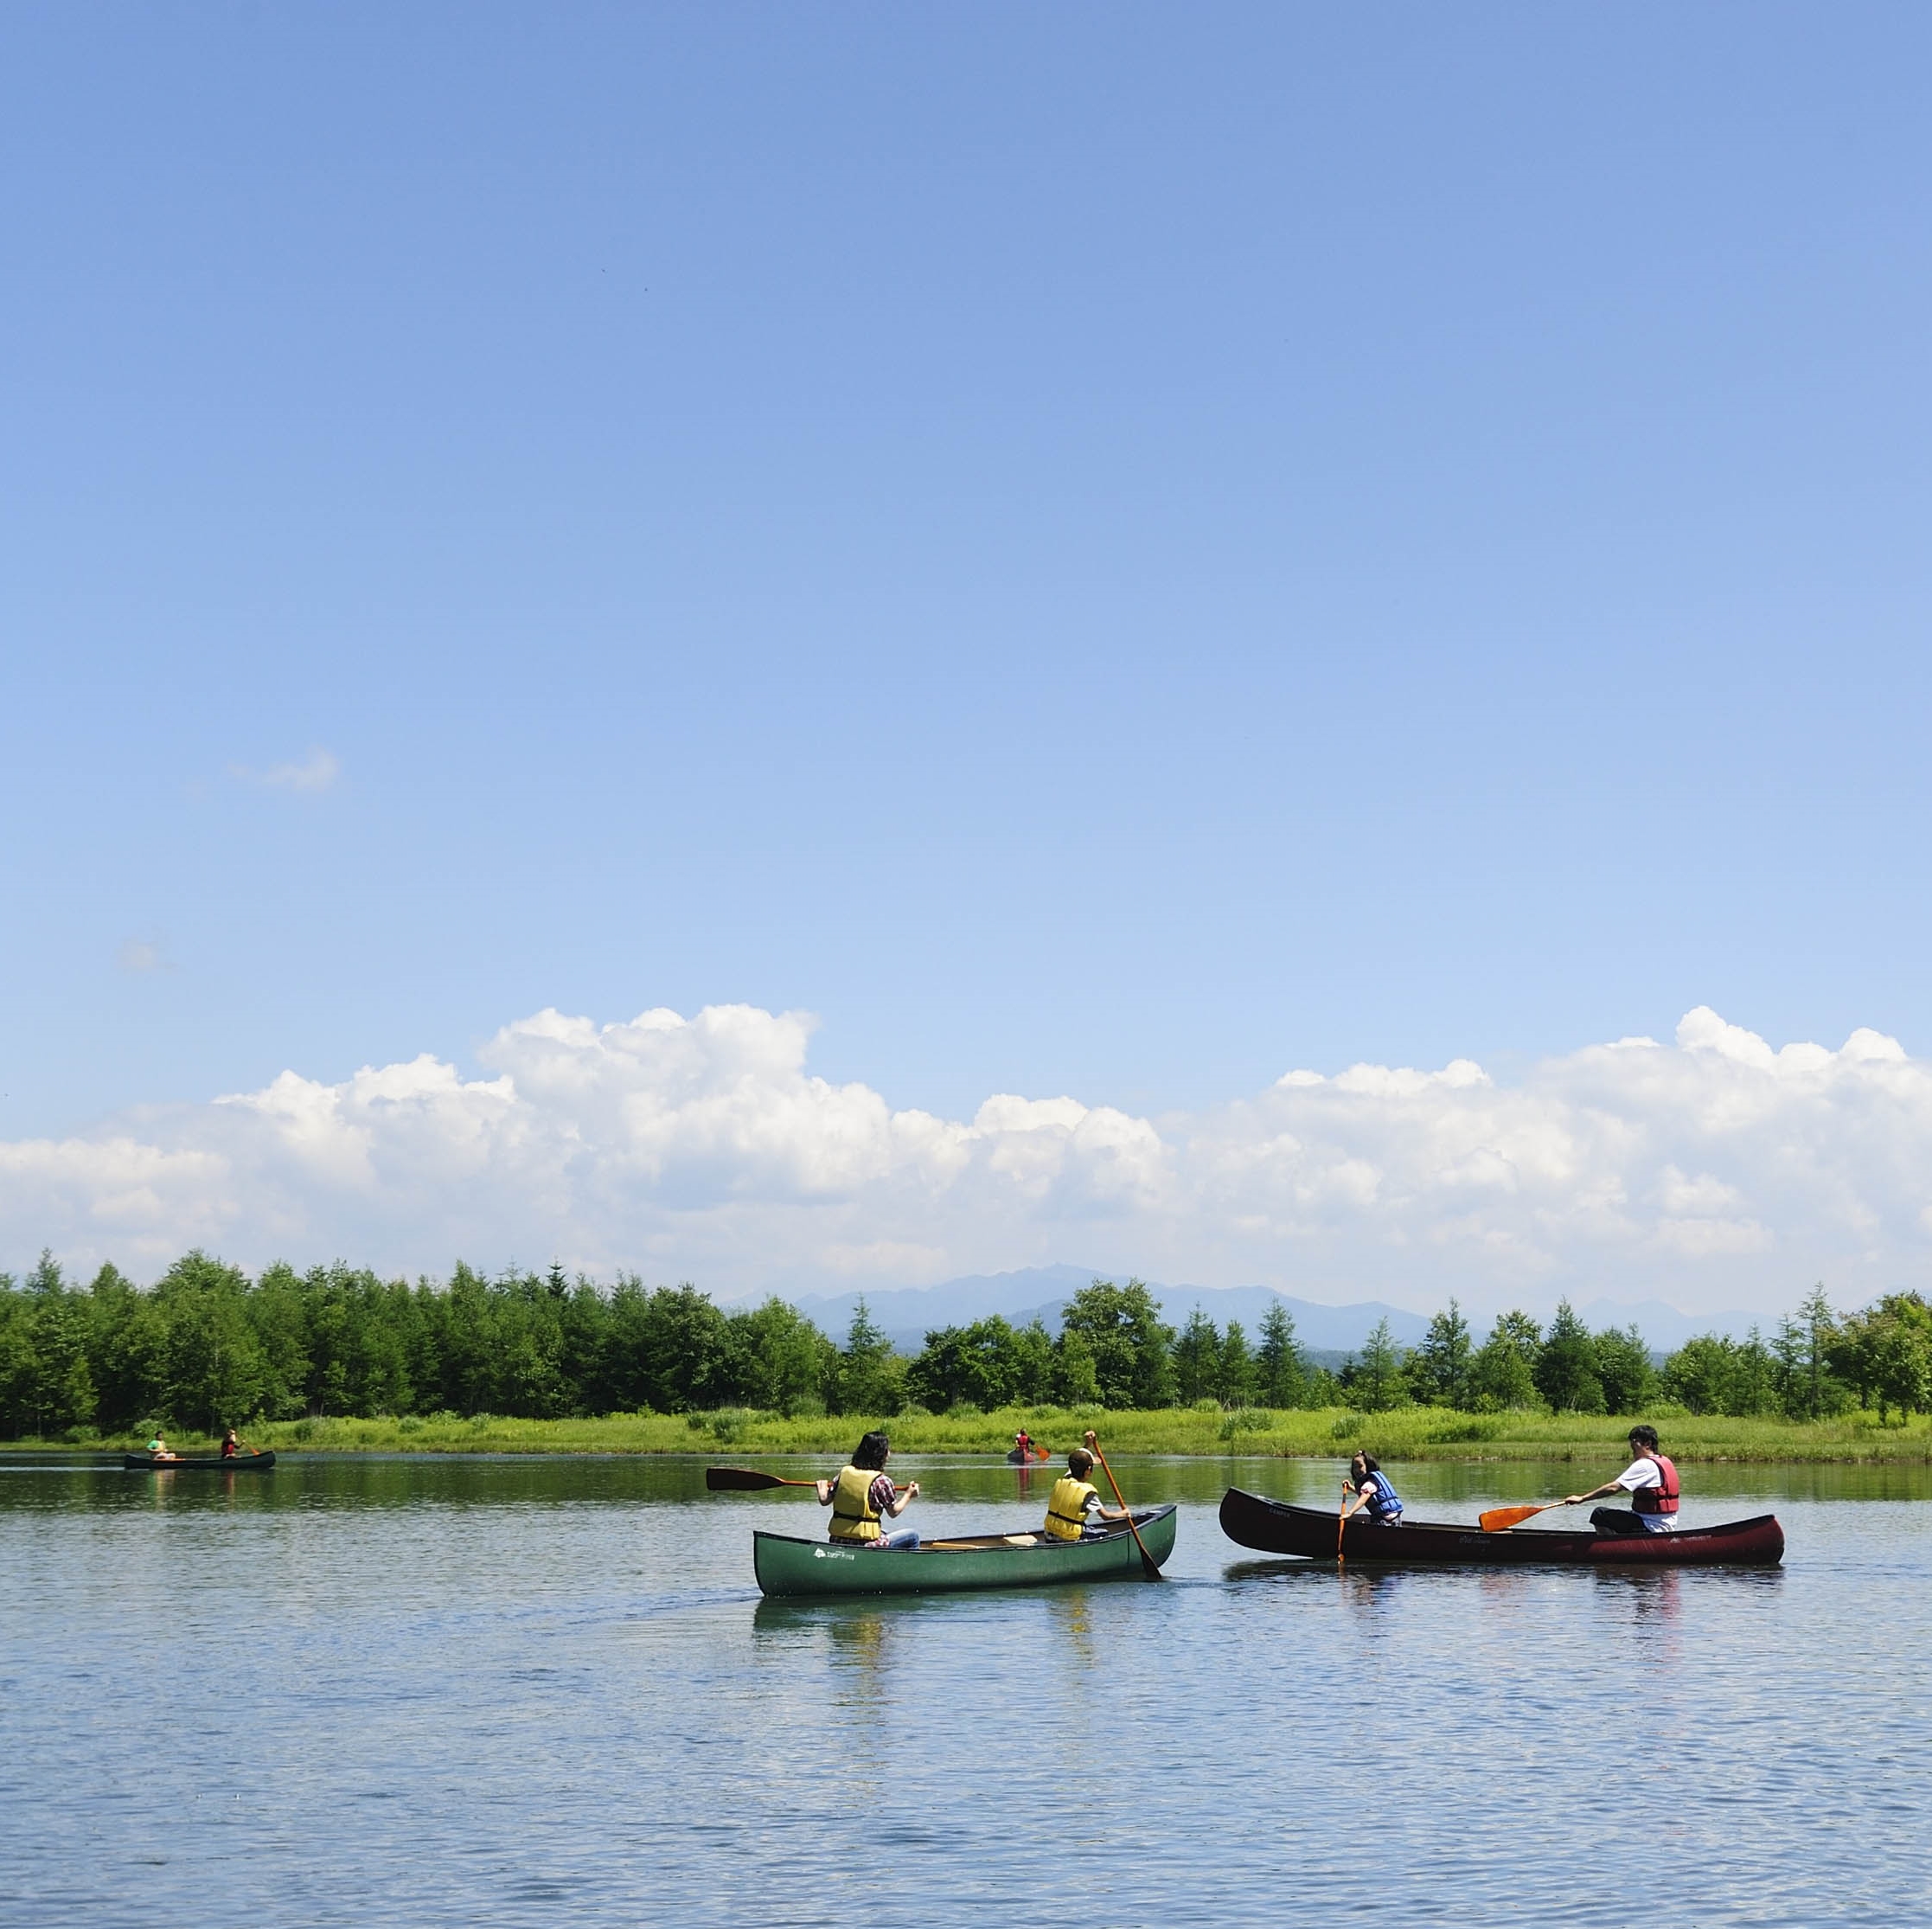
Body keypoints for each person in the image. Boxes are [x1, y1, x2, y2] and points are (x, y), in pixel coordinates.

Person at [1565, 1425, 1679, 1535]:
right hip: (1666, 1525)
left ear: (1648, 1444)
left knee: (1599, 1514)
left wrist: (1582, 1498)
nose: (1632, 1448)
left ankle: (1609, 1549)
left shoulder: (1644, 1464)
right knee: (1619, 1514)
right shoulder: (1664, 1461)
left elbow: (1613, 1488)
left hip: (1651, 1526)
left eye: (1635, 1444)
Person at [816, 1431, 920, 1550]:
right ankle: (904, 1567)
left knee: (884, 1532)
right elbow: (893, 1512)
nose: (889, 1454)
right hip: (865, 1545)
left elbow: (824, 1500)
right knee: (913, 1536)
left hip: (837, 1539)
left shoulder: (843, 1474)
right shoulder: (882, 1481)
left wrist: (822, 1488)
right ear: (882, 1454)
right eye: (888, 1450)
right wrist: (908, 1494)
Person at [1041, 1445, 1132, 1541]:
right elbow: (1106, 1516)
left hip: (1048, 1535)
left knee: (1089, 1528)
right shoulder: (1088, 1493)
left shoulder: (1062, 1482)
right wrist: (1124, 1514)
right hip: (1068, 1538)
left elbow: (1075, 1460)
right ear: (1088, 1469)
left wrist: (1088, 1444)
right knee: (1104, 1533)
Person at [1340, 1451, 1404, 1525]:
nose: (1357, 1470)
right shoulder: (1370, 1483)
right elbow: (1368, 1495)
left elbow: (1364, 1498)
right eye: (1354, 1467)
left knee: (1353, 1518)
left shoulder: (1370, 1483)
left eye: (1360, 1466)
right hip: (1391, 1516)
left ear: (1368, 1466)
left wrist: (1350, 1513)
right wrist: (1350, 1487)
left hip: (1385, 1520)